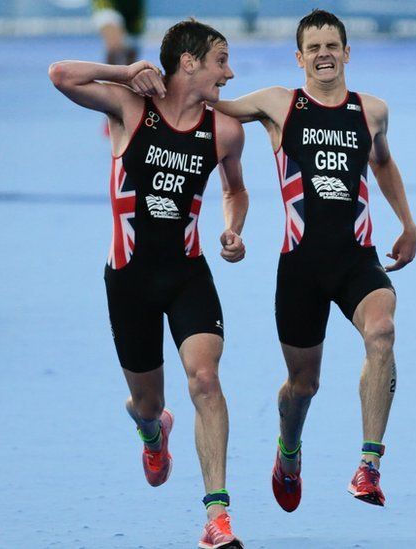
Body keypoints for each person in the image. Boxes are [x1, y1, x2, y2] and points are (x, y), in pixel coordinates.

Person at [49, 19, 247, 549]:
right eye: (220, 61)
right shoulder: (130, 109)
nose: (229, 73)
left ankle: (217, 516)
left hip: (188, 275)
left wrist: (233, 229)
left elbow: (236, 190)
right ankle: (151, 429)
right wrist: (124, 70)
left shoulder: (224, 130)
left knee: (205, 379)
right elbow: (61, 74)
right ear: (189, 62)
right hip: (129, 281)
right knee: (145, 402)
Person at [212, 9, 416, 510]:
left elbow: (384, 163)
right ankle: (289, 450)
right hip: (300, 268)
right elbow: (209, 106)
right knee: (303, 386)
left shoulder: (372, 111)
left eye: (333, 46)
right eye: (314, 47)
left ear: (347, 53)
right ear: (299, 58)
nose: (324, 54)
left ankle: (369, 466)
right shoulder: (279, 105)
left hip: (357, 262)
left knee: (382, 332)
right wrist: (152, 83)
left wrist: (408, 224)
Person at [91, 0, 145, 65]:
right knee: (115, 47)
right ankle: (108, 74)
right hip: (108, 4)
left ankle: (124, 74)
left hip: (133, 9)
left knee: (131, 55)